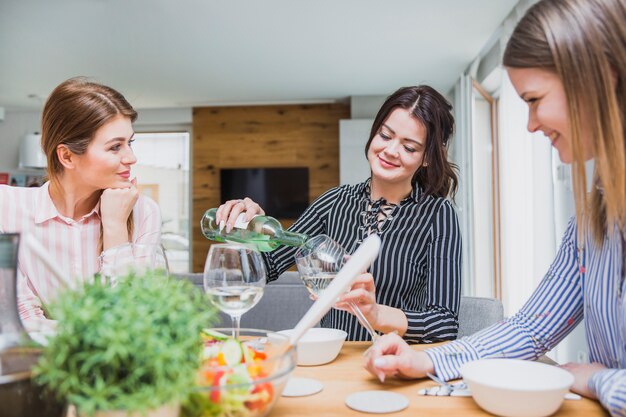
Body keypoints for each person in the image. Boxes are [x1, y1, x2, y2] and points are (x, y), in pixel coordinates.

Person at [364, 0, 626, 414]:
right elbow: (531, 327)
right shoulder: (592, 220)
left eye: (535, 99)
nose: (531, 124)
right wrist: (426, 360)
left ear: (598, 78)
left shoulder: (437, 215)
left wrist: (597, 379)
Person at [216, 85, 462, 342]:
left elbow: (443, 323)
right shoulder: (333, 202)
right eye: (385, 135)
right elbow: (263, 269)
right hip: (332, 360)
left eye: (409, 147)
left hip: (393, 366)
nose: (390, 150)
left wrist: (376, 313)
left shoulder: (438, 216)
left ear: (426, 158)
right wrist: (247, 231)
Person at [0, 77, 161, 332]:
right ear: (67, 156)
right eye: (115, 147)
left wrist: (115, 226)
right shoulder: (5, 209)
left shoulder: (143, 212)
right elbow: (18, 319)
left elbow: (134, 322)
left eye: (129, 143)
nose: (131, 157)